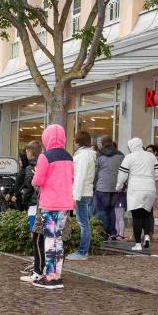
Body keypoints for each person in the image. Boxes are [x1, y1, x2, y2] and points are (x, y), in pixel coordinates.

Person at [30, 124, 74, 290]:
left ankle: (49, 277)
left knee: (49, 239)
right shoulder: (69, 157)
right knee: (58, 240)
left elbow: (38, 181)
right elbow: (72, 179)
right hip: (65, 204)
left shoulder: (45, 156)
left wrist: (35, 175)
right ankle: (57, 276)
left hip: (49, 204)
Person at [117, 138, 158, 252]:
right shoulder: (151, 156)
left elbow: (122, 174)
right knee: (146, 214)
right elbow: (157, 174)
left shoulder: (129, 157)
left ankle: (137, 244)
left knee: (136, 216)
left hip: (135, 189)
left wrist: (119, 186)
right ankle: (146, 236)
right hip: (150, 188)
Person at [68, 131, 96, 261]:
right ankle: (83, 251)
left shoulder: (83, 155)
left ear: (77, 141)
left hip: (82, 193)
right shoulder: (87, 154)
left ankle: (83, 251)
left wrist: (75, 196)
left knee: (83, 223)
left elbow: (80, 177)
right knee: (84, 222)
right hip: (84, 192)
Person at [18, 141, 43, 283]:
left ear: (29, 152)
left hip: (34, 205)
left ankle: (37, 266)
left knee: (35, 236)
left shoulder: (30, 167)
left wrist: (23, 201)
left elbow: (28, 186)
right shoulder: (43, 163)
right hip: (42, 204)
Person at [93, 135, 124, 239]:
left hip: (102, 187)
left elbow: (95, 173)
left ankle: (105, 233)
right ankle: (113, 232)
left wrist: (94, 186)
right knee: (112, 210)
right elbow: (124, 171)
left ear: (102, 143)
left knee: (102, 210)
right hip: (116, 188)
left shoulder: (99, 155)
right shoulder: (120, 155)